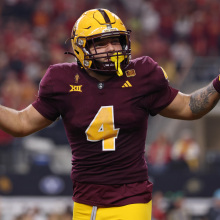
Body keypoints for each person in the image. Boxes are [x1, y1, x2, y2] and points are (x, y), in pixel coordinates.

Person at [1, 8, 220, 220]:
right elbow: (22, 123)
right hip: (84, 201)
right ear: (80, 47)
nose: (111, 48)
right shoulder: (62, 80)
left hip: (130, 198)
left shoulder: (142, 74)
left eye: (116, 40)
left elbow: (189, 106)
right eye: (101, 43)